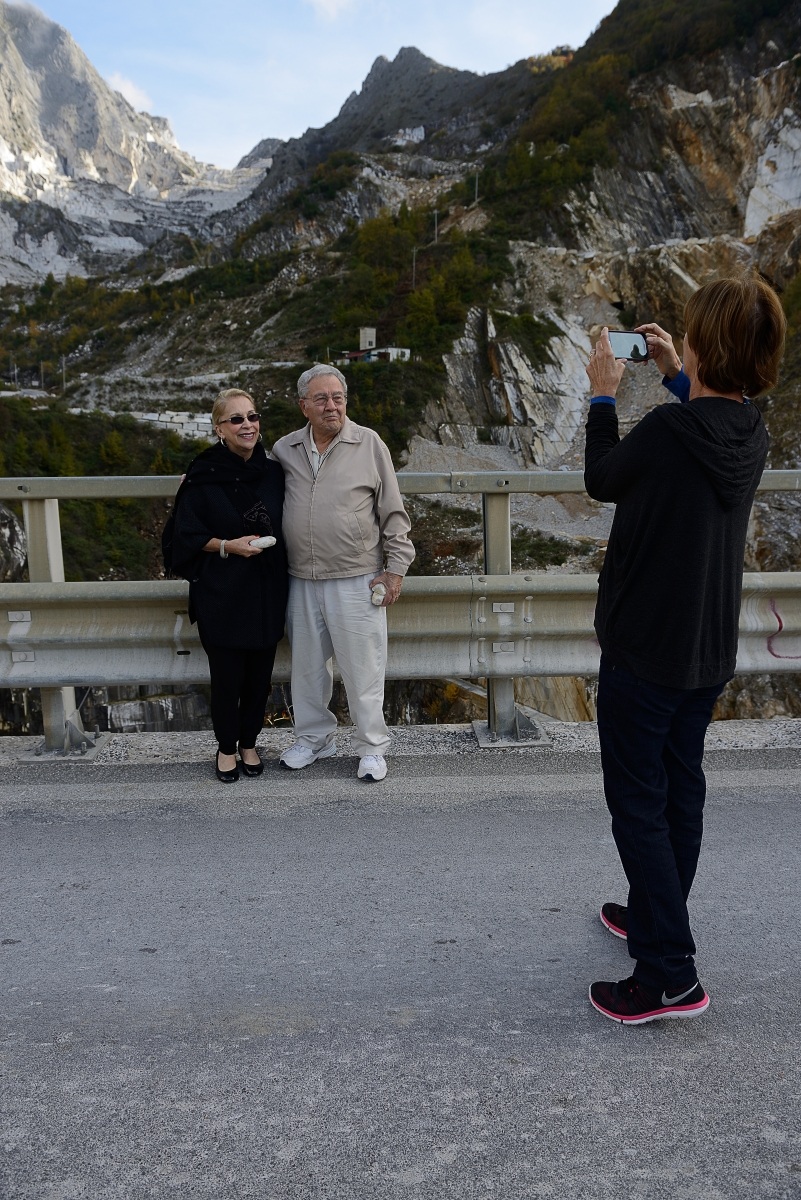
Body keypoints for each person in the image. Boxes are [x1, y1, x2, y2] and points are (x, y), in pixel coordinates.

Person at [584, 276, 785, 1024]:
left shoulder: (672, 432)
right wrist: (676, 373)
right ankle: (652, 915)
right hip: (704, 647)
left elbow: (602, 478)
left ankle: (667, 975)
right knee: (679, 792)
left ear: (706, 346)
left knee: (639, 806)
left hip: (643, 647)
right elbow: (709, 417)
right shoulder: (751, 428)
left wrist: (603, 395)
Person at [270, 364, 415, 782]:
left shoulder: (368, 444)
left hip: (357, 577)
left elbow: (393, 513)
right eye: (321, 399)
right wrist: (202, 479)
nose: (331, 406)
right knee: (307, 670)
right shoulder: (284, 449)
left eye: (337, 398)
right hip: (300, 577)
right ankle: (314, 739)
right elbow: (251, 485)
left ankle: (372, 747)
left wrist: (395, 571)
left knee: (363, 670)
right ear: (304, 405)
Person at [169, 389, 289, 783]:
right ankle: (225, 748)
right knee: (226, 679)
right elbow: (185, 535)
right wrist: (228, 546)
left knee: (259, 679)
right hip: (221, 592)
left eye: (252, 416)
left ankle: (249, 743)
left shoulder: (274, 473)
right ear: (219, 429)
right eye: (236, 419)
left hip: (267, 590)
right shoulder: (203, 475)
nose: (247, 425)